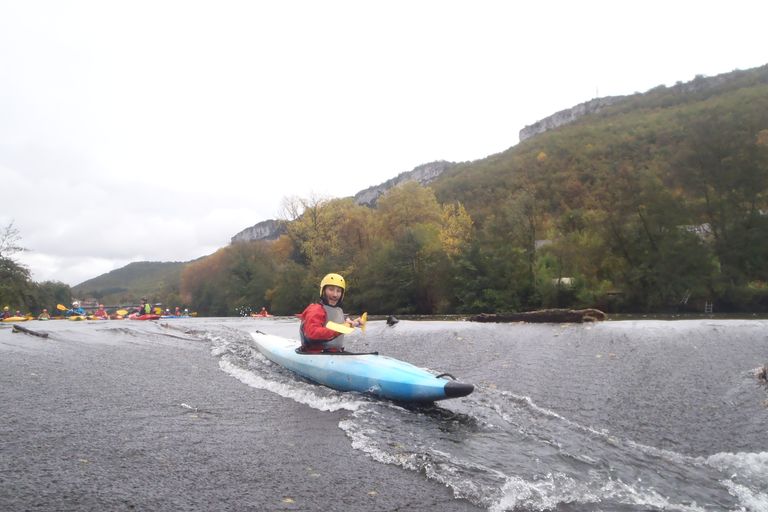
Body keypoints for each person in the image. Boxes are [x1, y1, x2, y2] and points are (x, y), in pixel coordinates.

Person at [297, 273, 362, 353]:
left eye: (338, 291)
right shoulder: (316, 310)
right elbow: (312, 333)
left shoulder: (338, 310)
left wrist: (353, 323)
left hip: (334, 352)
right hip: (314, 353)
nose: (335, 295)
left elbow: (335, 324)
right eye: (331, 289)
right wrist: (342, 328)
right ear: (323, 291)